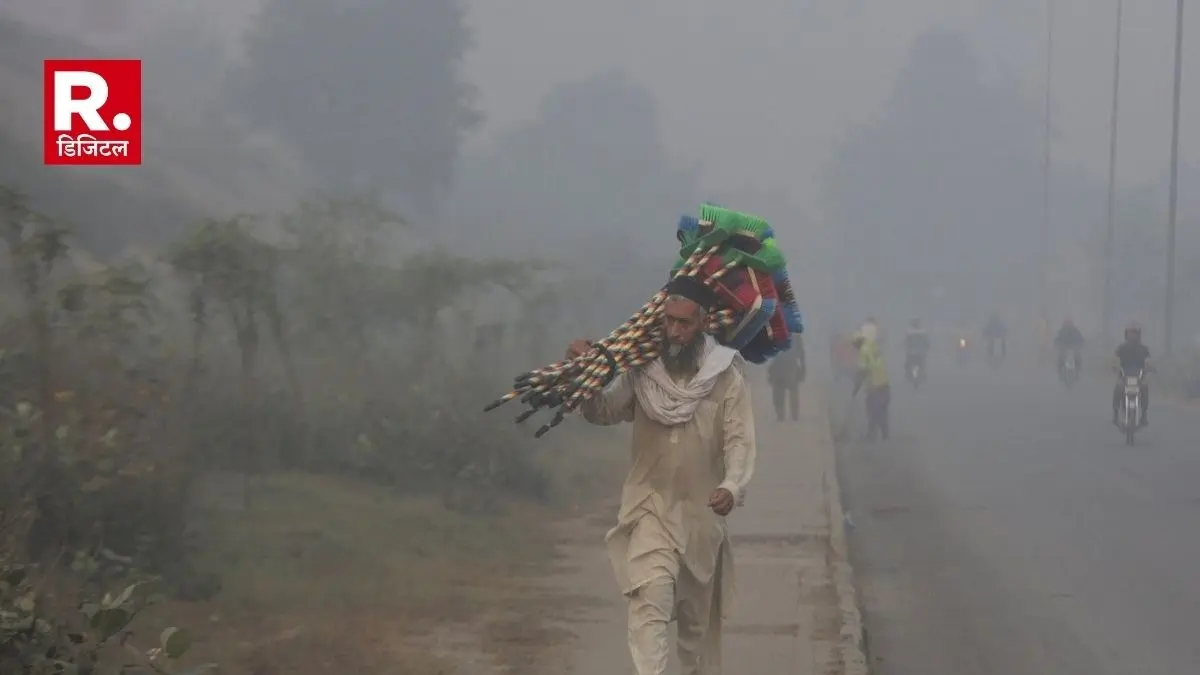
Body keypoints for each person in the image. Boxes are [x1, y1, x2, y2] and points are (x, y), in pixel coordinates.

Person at [568, 274, 756, 675]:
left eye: (684, 323)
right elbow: (603, 411)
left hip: (702, 521)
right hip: (650, 508)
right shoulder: (644, 371)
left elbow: (740, 442)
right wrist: (580, 373)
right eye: (668, 321)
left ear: (703, 323)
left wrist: (731, 486)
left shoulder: (725, 378)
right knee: (649, 598)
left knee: (695, 631)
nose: (674, 331)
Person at [851, 331, 891, 441]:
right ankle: (885, 432)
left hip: (874, 384)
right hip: (885, 382)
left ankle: (871, 434)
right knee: (882, 408)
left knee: (872, 409)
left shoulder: (864, 351)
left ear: (858, 343)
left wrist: (856, 388)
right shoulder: (873, 346)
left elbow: (862, 371)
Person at [1112, 321, 1151, 426]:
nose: (1132, 335)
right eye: (1130, 333)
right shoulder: (1121, 348)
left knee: (1144, 389)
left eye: (1134, 333)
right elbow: (1115, 360)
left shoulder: (1144, 349)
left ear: (1138, 335)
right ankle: (1115, 413)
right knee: (1118, 388)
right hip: (1124, 376)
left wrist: (1150, 368)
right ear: (1126, 334)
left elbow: (1148, 362)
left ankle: (1144, 415)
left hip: (1139, 376)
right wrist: (1114, 367)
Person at [768, 335, 805, 421]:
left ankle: (783, 416)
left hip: (783, 367)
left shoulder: (777, 329)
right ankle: (792, 416)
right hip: (787, 366)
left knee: (780, 393)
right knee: (790, 392)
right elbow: (801, 354)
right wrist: (803, 369)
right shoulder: (796, 334)